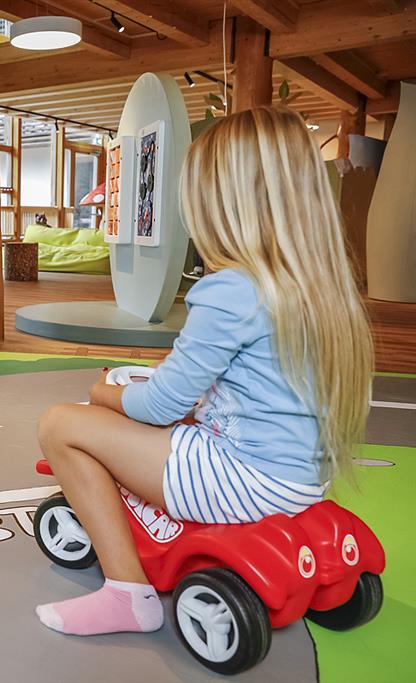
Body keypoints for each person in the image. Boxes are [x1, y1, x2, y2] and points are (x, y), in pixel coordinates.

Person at [33, 107, 373, 637]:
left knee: (61, 423)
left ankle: (126, 593)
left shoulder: (231, 289)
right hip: (304, 481)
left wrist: (104, 394)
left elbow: (159, 405)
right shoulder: (322, 290)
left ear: (218, 205)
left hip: (243, 480)